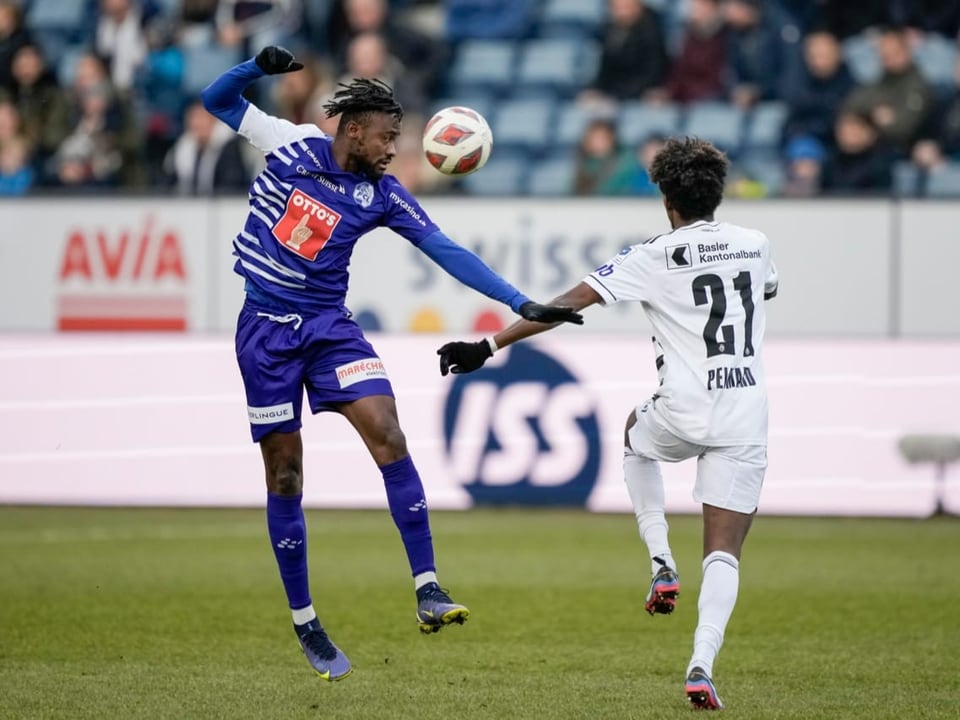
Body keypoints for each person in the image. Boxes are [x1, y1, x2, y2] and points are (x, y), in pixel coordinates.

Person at [200, 45, 582, 682]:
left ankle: (429, 588)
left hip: (330, 329)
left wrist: (520, 302)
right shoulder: (289, 144)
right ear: (353, 128)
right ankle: (305, 621)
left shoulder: (383, 193)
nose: (393, 148)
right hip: (264, 331)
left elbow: (447, 250)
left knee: (390, 435)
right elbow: (216, 101)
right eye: (387, 136)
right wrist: (256, 70)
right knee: (287, 476)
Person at [437, 137, 778, 711]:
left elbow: (563, 305)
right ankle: (701, 665)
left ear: (667, 199)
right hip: (746, 413)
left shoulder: (652, 255)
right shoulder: (756, 244)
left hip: (683, 409)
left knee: (632, 438)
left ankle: (660, 558)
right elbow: (764, 292)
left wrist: (489, 345)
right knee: (724, 554)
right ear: (717, 193)